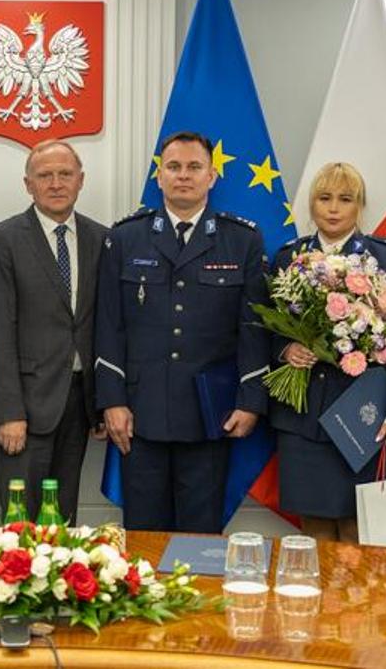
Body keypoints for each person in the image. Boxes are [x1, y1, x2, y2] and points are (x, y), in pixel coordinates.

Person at [94, 131, 270, 533]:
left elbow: (253, 328)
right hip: (141, 413)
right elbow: (109, 326)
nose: (183, 176)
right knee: (143, 536)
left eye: (194, 167)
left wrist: (250, 401)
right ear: (159, 176)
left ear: (212, 176)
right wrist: (112, 401)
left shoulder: (242, 240)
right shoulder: (124, 237)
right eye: (173, 167)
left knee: (201, 535)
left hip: (212, 414)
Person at [271, 162, 386, 541]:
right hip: (303, 418)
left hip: (363, 417)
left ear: (360, 206)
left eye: (345, 199)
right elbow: (263, 330)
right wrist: (286, 349)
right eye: (324, 199)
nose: (334, 208)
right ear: (311, 205)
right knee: (314, 531)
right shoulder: (288, 258)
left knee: (360, 531)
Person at [0, 139, 107, 523]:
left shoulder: (100, 238)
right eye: (45, 175)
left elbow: (104, 324)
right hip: (26, 404)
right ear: (28, 184)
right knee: (21, 521)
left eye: (65, 174)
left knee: (62, 517)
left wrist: (101, 403)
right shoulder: (3, 240)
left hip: (79, 402)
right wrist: (9, 412)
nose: (56, 183)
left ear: (80, 180)